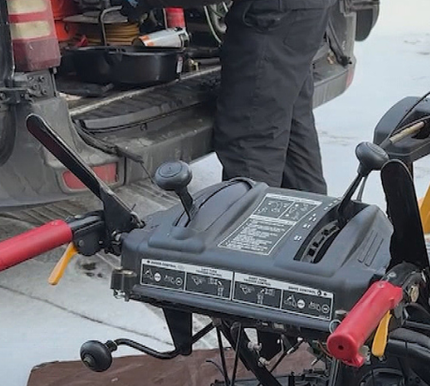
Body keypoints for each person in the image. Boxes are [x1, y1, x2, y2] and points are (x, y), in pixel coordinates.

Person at [124, 0, 334, 358]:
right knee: (290, 129)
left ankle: (260, 318)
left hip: (273, 17)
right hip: (297, 14)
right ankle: (322, 276)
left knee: (251, 146)